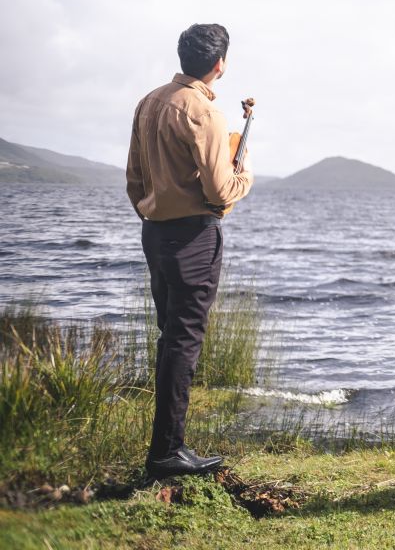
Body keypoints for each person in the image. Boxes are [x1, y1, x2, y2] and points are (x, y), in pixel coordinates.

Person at [126, 23, 254, 478]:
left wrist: (154, 212)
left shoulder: (148, 103)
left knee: (170, 338)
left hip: (155, 232)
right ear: (219, 64)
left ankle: (165, 447)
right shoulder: (204, 112)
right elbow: (220, 191)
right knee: (183, 343)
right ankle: (167, 452)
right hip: (193, 237)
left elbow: (134, 180)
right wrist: (246, 175)